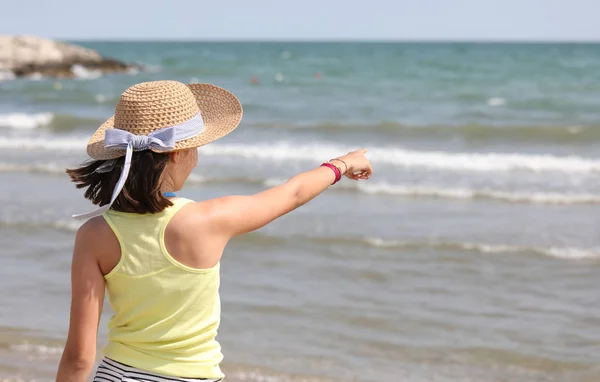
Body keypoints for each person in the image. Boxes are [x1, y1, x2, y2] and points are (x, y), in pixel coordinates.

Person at [56, 80, 373, 382]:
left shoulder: (94, 234)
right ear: (179, 153)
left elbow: (80, 356)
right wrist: (342, 163)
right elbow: (293, 192)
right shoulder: (207, 220)